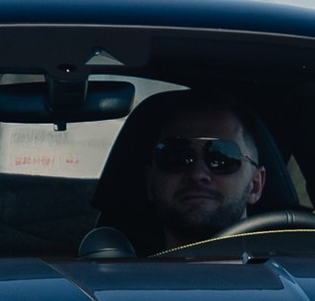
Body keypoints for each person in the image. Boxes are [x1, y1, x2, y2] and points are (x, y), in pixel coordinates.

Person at [112, 94, 272, 250]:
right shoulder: (110, 266)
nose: (197, 174)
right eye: (176, 157)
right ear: (150, 182)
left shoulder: (284, 266)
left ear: (255, 184)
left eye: (221, 158)